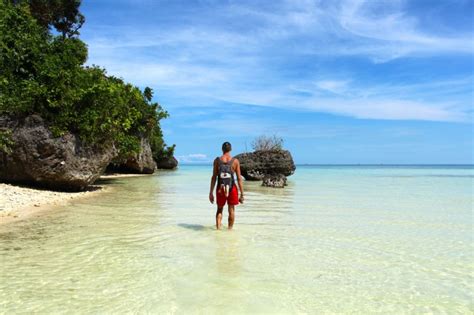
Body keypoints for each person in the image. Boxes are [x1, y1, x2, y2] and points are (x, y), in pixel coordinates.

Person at [209, 142, 244, 230]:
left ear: (222, 149)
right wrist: (242, 194)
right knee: (231, 210)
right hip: (232, 188)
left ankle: (218, 230)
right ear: (231, 149)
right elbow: (239, 178)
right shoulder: (235, 161)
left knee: (219, 210)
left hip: (220, 189)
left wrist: (211, 192)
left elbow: (214, 177)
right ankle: (230, 230)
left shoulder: (217, 160)